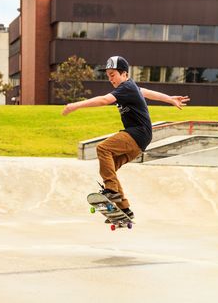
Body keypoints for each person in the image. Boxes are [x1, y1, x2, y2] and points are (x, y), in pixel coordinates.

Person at [62, 55, 190, 220]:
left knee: (103, 148)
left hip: (137, 133)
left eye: (113, 74)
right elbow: (148, 93)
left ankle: (112, 192)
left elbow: (103, 100)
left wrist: (75, 105)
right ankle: (125, 209)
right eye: (108, 76)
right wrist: (169, 99)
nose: (111, 79)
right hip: (141, 139)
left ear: (124, 74)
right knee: (109, 170)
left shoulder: (125, 88)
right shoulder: (133, 87)